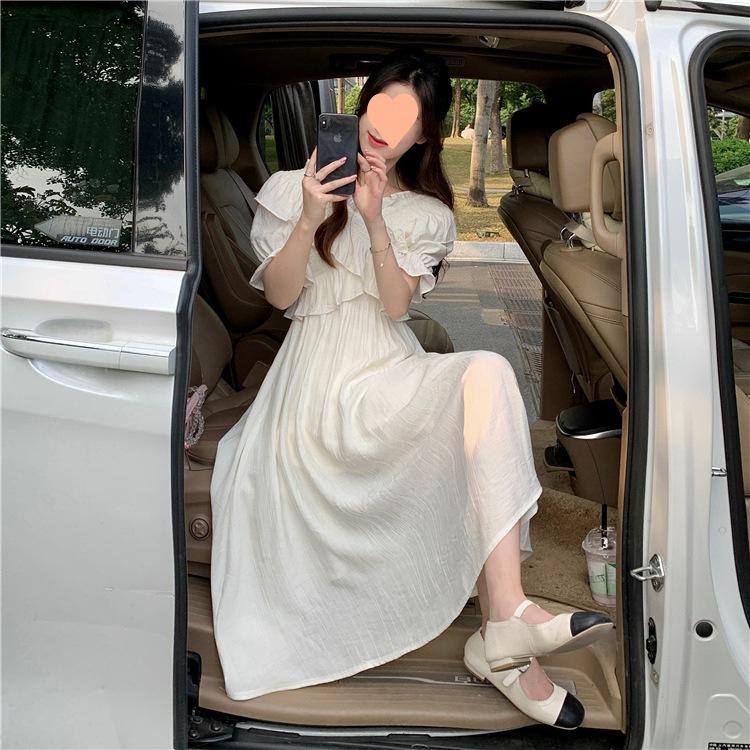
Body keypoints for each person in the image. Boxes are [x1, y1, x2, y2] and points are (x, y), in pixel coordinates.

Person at [209, 46, 614, 730]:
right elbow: (280, 296)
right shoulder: (286, 188)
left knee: (487, 373)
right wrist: (310, 215)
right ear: (363, 103)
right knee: (474, 392)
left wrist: (372, 219)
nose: (384, 124)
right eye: (381, 103)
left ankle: (506, 618)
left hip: (386, 368)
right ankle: (507, 647)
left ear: (424, 134)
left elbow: (396, 307)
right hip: (314, 382)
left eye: (407, 116)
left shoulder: (427, 213)